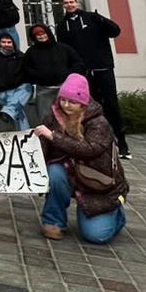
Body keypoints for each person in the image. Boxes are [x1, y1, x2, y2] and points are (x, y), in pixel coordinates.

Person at [34, 74, 129, 244]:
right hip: (70, 175)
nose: (66, 105)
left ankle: (116, 214)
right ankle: (53, 221)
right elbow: (42, 149)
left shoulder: (99, 123)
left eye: (72, 101)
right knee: (54, 172)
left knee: (96, 236)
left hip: (98, 184)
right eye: (63, 100)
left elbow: (89, 150)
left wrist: (54, 137)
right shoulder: (52, 118)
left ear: (83, 102)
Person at [56, 0, 129, 158]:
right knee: (90, 107)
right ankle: (97, 141)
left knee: (111, 104)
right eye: (66, 3)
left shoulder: (92, 18)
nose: (69, 5)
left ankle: (122, 143)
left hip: (103, 68)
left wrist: (101, 18)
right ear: (63, 6)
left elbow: (115, 31)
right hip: (83, 74)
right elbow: (65, 50)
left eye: (72, 2)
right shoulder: (62, 26)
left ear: (77, 3)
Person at [20, 23, 84, 90]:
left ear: (48, 33)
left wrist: (67, 75)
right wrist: (39, 77)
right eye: (38, 35)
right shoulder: (30, 52)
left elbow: (78, 63)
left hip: (65, 87)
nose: (42, 36)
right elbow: (27, 68)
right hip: (43, 89)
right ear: (34, 37)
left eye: (44, 34)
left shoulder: (63, 48)